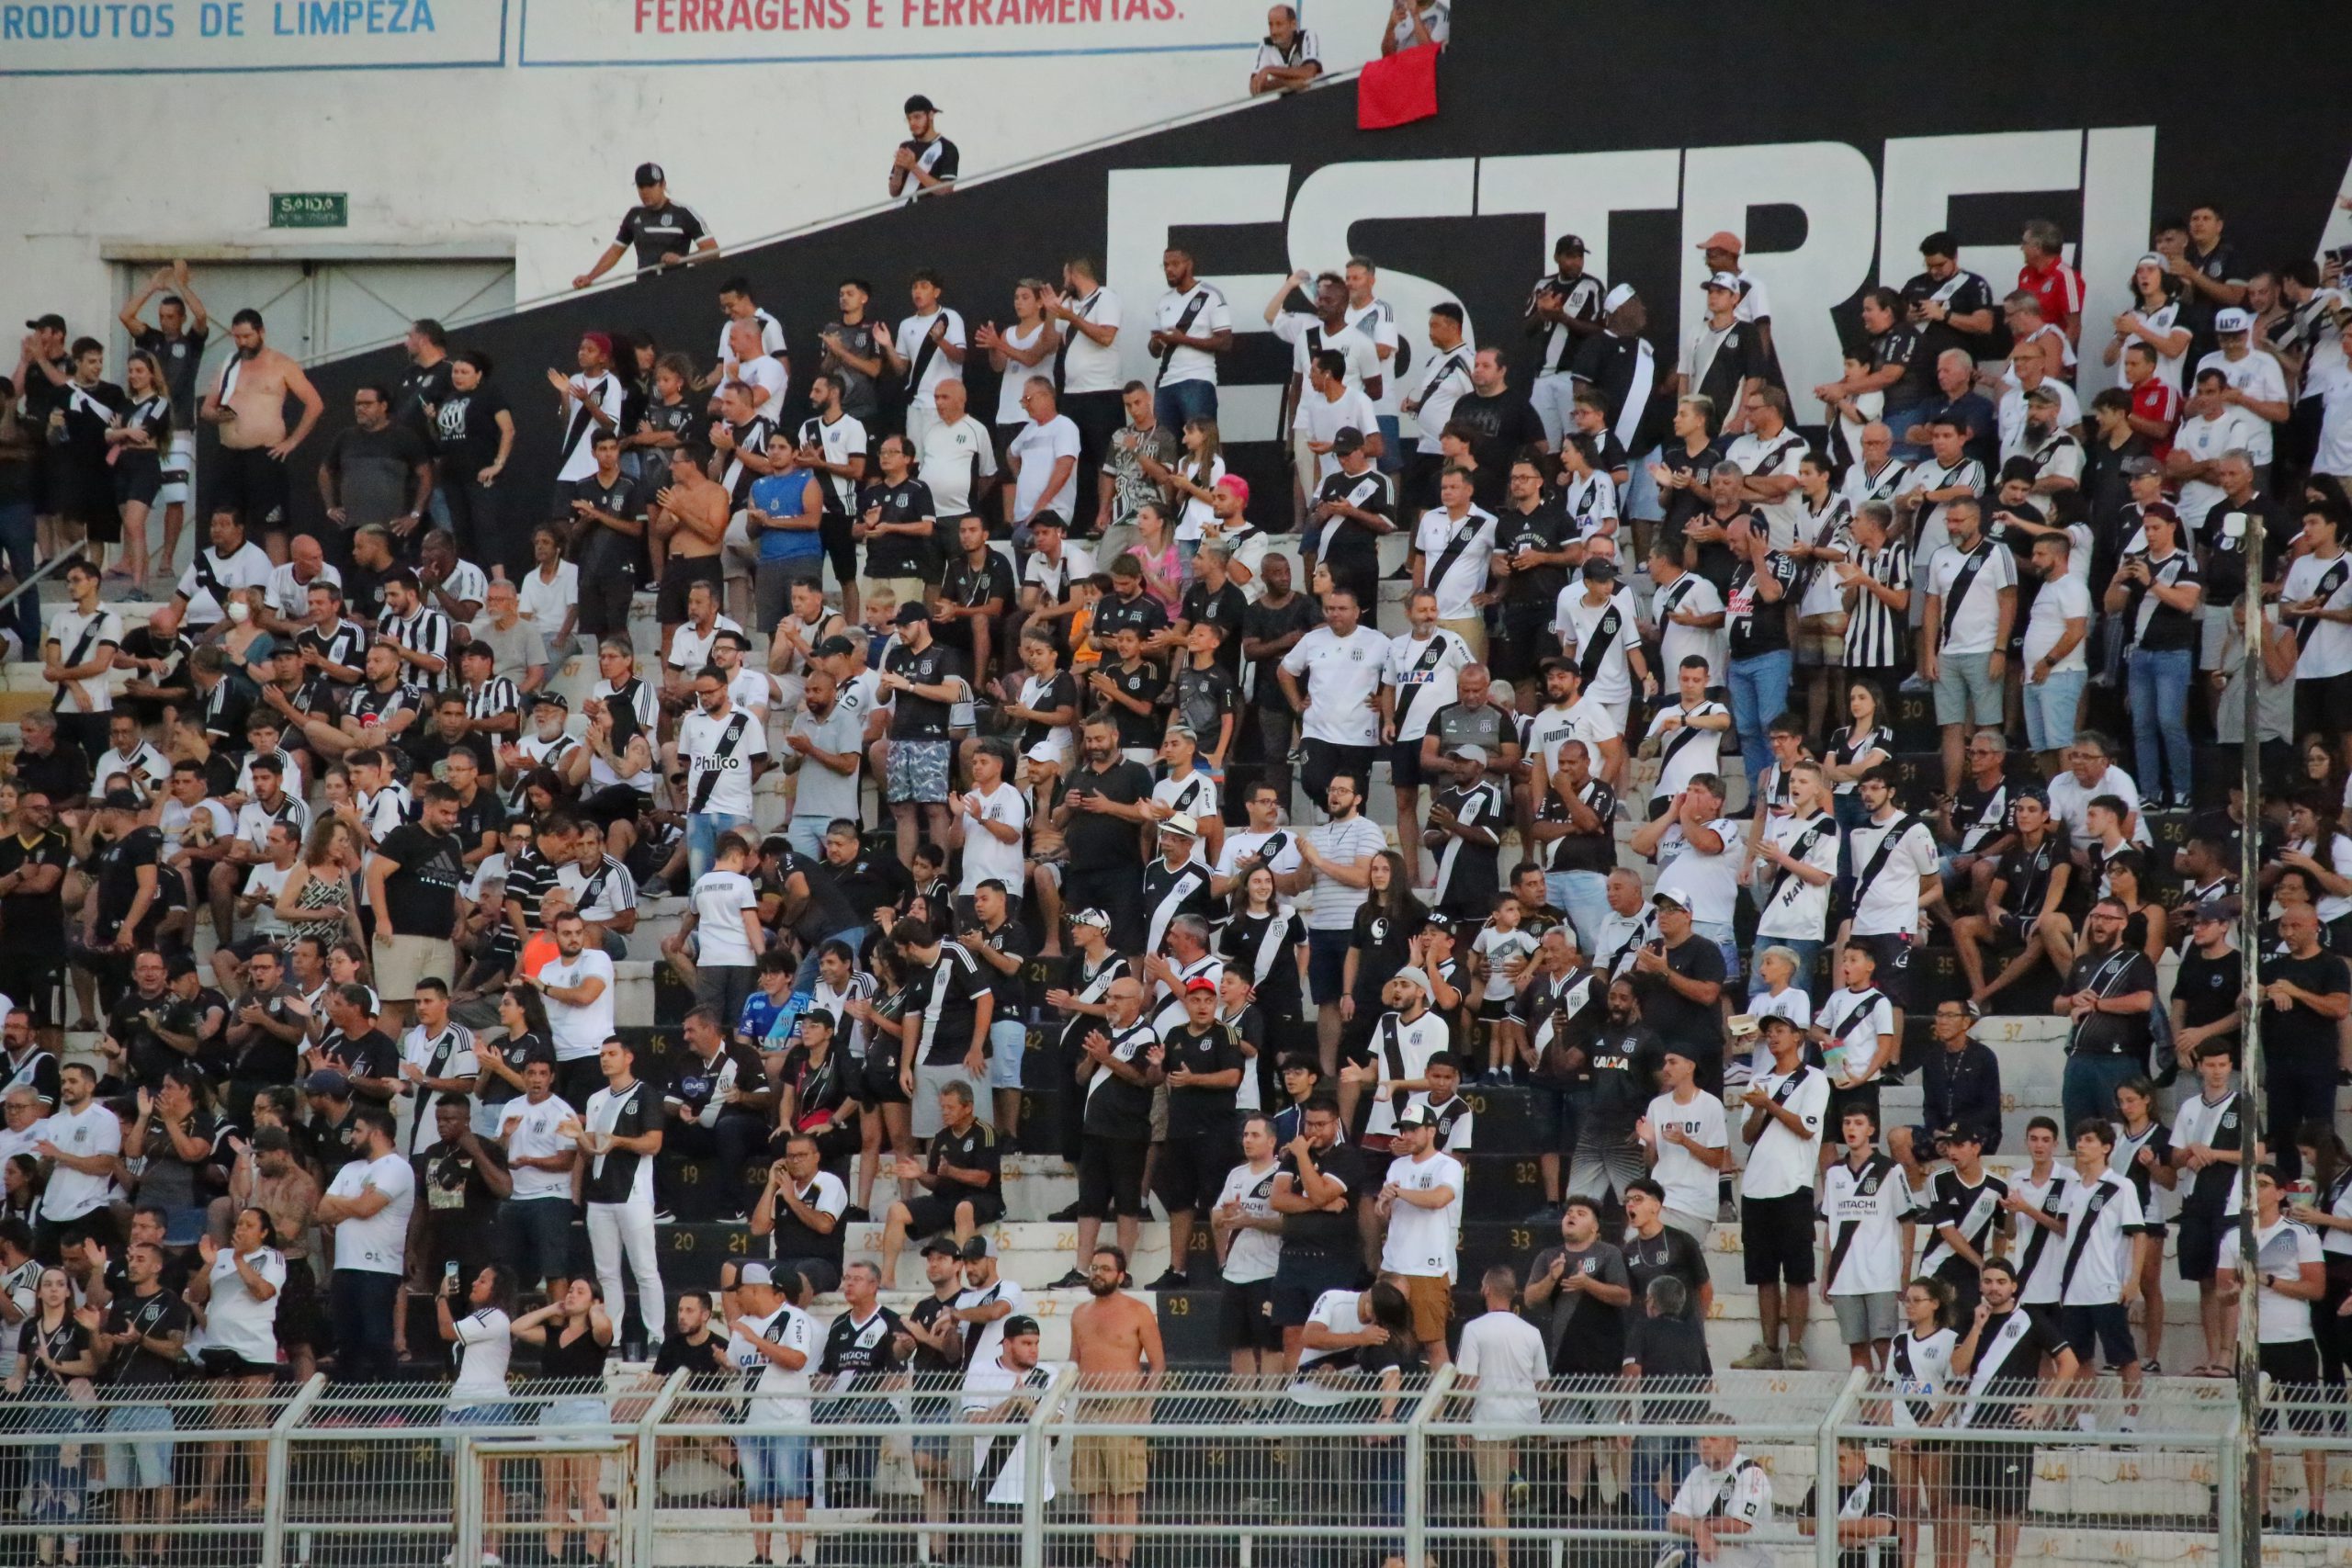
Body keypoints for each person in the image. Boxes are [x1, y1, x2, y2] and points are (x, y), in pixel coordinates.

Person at [1733, 1013, 1828, 1370]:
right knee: (1763, 1272)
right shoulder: (1759, 1079)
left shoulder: (1813, 1079)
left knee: (1798, 1270)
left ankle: (1796, 1346)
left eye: (1779, 1031)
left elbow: (1806, 1127)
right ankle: (1770, 1347)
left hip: (1793, 1184)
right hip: (1757, 1187)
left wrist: (1769, 1105)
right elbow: (1747, 1134)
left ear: (1798, 1037)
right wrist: (1760, 1109)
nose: (1772, 1037)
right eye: (1768, 1032)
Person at [560, 1036, 665, 1356]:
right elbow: (591, 1149)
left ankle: (656, 1335)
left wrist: (619, 1141)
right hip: (600, 1196)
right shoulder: (595, 1099)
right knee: (606, 1272)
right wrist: (577, 1136)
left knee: (644, 1268)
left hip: (633, 1193)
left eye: (612, 1053)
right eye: (602, 1054)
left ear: (628, 1057)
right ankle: (613, 1336)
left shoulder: (646, 1094)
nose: (605, 1059)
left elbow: (653, 1144)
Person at [1068, 1245, 1163, 1568]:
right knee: (1094, 1488)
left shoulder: (1138, 1311)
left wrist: (1144, 1410)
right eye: (1094, 1267)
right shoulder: (1079, 1313)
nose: (1098, 1273)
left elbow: (1158, 1365)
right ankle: (1102, 1557)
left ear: (1121, 1276)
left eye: (1105, 1269)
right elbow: (1073, 1364)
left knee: (1125, 1489)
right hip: (1088, 1408)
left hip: (1126, 1407)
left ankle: (1122, 1559)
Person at [313, 1104, 412, 1383]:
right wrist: (354, 1203)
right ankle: (350, 1411)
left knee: (377, 1338)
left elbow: (368, 1208)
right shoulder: (349, 1168)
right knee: (347, 1343)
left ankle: (391, 1408)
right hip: (344, 1267)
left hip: (378, 1269)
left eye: (357, 1130)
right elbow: (322, 1211)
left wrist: (343, 1203)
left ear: (377, 1133)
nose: (351, 1137)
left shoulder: (397, 1167)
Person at [1666, 1430, 1775, 1568]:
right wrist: (1697, 1528)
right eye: (1702, 1438)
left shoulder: (1750, 1472)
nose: (1705, 1444)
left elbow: (1740, 1524)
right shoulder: (1696, 1474)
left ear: (1732, 1444)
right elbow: (1673, 1520)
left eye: (1713, 1439)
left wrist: (1701, 1527)